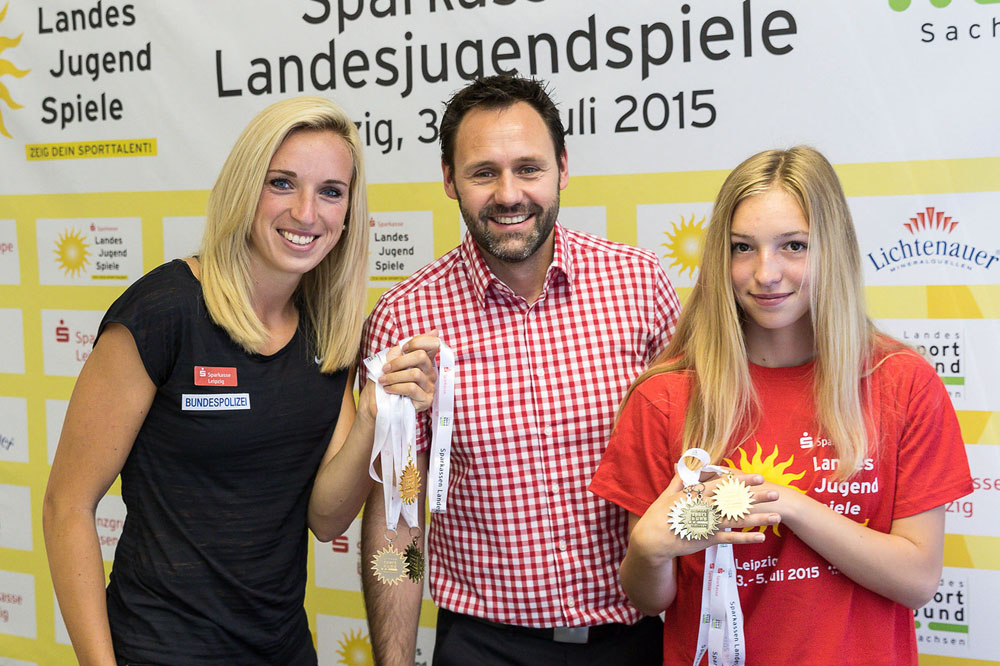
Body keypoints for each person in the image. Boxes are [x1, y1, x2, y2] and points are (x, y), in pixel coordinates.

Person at [42, 96, 439, 666]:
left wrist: (372, 416)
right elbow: (67, 506)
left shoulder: (327, 334)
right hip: (159, 651)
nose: (307, 212)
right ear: (244, 188)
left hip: (282, 650)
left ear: (349, 211)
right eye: (282, 183)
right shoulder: (165, 311)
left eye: (331, 191)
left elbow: (327, 519)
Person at [589, 146, 974, 665]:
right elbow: (650, 597)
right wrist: (649, 550)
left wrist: (790, 505)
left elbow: (918, 579)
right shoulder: (664, 396)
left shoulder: (901, 383)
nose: (765, 273)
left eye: (793, 245)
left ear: (832, 248)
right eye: (742, 247)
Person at [359, 75, 681, 665]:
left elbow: (691, 469)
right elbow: (398, 518)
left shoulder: (640, 286)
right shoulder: (404, 319)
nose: (509, 194)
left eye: (528, 168)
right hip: (484, 648)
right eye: (484, 172)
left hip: (635, 643)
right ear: (449, 180)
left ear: (562, 168)